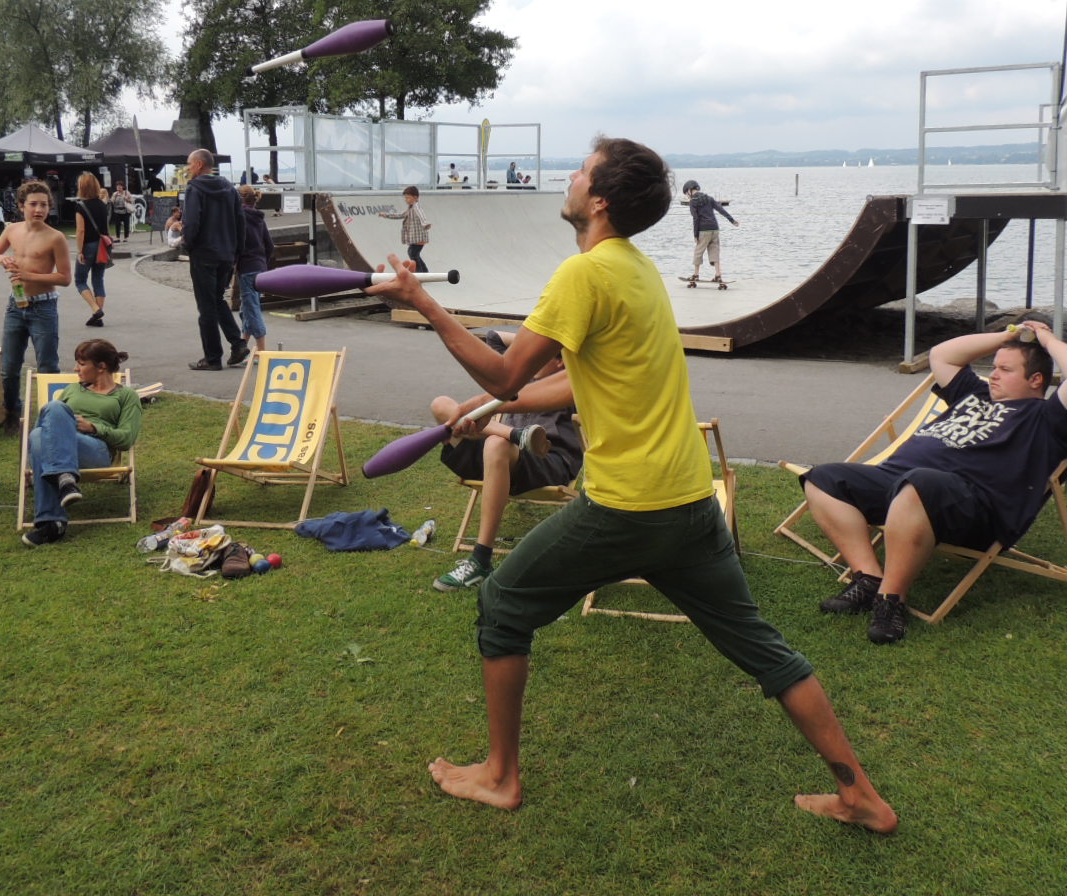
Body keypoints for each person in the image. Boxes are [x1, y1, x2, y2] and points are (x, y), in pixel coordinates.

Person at [368, 136, 895, 831]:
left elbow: (505, 370)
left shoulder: (583, 274)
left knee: (502, 604)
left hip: (629, 507)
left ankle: (499, 776)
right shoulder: (636, 269)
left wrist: (423, 302)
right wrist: (491, 408)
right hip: (688, 500)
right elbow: (578, 381)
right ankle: (861, 795)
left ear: (599, 200)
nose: (570, 175)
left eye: (581, 170)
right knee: (761, 646)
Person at [799, 321, 1067, 645]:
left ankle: (891, 601)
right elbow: (942, 355)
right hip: (899, 481)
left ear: (1036, 380)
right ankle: (868, 579)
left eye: (1005, 370)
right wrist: (1008, 336)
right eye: (994, 367)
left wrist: (1045, 337)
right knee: (824, 478)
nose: (994, 375)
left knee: (920, 482)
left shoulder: (1049, 419)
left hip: (971, 505)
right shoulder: (974, 394)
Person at [429, 330, 582, 594]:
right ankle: (516, 435)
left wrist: (566, 346)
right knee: (442, 405)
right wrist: (540, 340)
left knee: (495, 444)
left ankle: (481, 559)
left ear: (561, 362)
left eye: (541, 355)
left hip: (547, 463)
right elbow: (494, 337)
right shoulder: (518, 377)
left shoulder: (572, 385)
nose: (530, 358)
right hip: (500, 455)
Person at [21, 338, 141, 547]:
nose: (76, 369)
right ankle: (65, 483)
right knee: (45, 425)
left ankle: (51, 519)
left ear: (101, 367)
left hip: (95, 451)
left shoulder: (126, 396)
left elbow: (127, 438)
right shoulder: (72, 389)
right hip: (59, 448)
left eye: (82, 364)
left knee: (45, 429)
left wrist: (94, 428)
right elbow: (43, 424)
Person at [0, 180, 71, 434]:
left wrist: (29, 275)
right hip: (16, 305)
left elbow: (65, 278)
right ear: (22, 206)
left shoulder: (55, 237)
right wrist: (0, 258)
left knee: (47, 366)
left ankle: (50, 418)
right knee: (9, 368)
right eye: (33, 204)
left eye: (44, 205)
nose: (38, 209)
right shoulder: (12, 230)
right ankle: (12, 412)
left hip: (43, 307)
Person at [182, 149, 246, 371]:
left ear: (199, 164)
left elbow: (192, 221)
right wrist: (237, 251)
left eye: (190, 163)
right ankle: (237, 344)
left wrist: (187, 244)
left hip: (204, 253)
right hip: (226, 253)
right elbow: (240, 221)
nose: (188, 167)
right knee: (217, 299)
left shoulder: (195, 188)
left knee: (206, 306)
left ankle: (212, 357)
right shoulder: (230, 188)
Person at [237, 184, 275, 357]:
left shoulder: (239, 218)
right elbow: (269, 245)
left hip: (246, 268)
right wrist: (262, 263)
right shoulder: (259, 218)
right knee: (247, 308)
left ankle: (262, 352)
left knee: (252, 309)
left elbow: (236, 244)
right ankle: (241, 348)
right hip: (260, 268)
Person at [681, 179, 738, 284]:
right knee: (714, 252)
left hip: (704, 230)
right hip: (715, 229)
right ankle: (718, 275)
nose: (687, 196)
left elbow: (696, 219)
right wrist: (732, 220)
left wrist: (695, 235)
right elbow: (721, 209)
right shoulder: (709, 198)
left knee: (698, 252)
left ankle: (696, 275)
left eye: (686, 194)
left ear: (689, 190)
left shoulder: (693, 202)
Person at [72, 173, 111, 328]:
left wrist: (79, 251)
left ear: (81, 187)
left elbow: (80, 231)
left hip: (88, 245)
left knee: (80, 280)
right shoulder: (102, 204)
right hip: (102, 246)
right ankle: (98, 317)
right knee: (98, 279)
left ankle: (95, 309)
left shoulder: (81, 206)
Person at [379, 185, 431, 272]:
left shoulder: (416, 207)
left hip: (419, 237)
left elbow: (421, 215)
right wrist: (386, 215)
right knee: (414, 253)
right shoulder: (410, 208)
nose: (406, 200)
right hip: (416, 238)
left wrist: (425, 223)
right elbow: (401, 215)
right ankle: (424, 272)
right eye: (405, 198)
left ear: (416, 198)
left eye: (408, 198)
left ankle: (420, 272)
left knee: (413, 253)